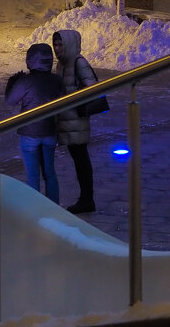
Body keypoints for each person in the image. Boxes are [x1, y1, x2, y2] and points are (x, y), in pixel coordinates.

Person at [5, 43, 66, 203]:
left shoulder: (25, 81)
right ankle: (53, 206)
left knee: (33, 175)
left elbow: (11, 100)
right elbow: (64, 102)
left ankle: (35, 209)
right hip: (49, 131)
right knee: (50, 173)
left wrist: (12, 82)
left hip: (29, 132)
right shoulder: (56, 80)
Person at [54, 29, 98, 214]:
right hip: (67, 120)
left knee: (81, 160)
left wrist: (68, 97)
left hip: (77, 120)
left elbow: (92, 87)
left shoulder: (79, 62)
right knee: (78, 159)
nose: (57, 48)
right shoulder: (61, 64)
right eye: (55, 44)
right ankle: (85, 199)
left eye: (60, 44)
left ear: (69, 44)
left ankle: (87, 200)